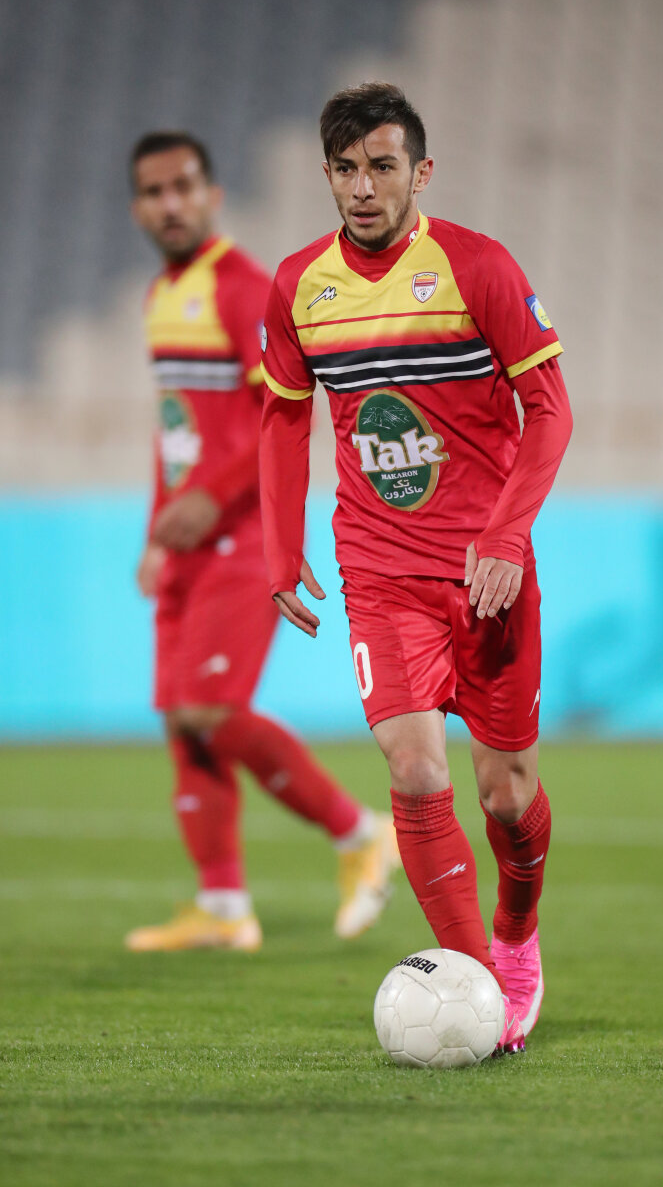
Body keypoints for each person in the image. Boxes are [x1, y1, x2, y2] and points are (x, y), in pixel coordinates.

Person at [259, 84, 572, 1054]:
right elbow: (281, 417)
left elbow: (549, 410)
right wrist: (280, 544)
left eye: (381, 167)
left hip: (486, 571)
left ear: (420, 172)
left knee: (506, 794)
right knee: (411, 764)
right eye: (345, 169)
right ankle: (477, 987)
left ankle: (515, 934)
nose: (362, 187)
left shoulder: (476, 267)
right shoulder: (299, 285)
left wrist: (506, 537)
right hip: (379, 564)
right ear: (326, 174)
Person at [125, 130, 399, 952]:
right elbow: (178, 430)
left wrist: (210, 499)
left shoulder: (243, 289)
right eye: (153, 192)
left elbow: (282, 419)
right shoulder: (162, 295)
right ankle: (222, 906)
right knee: (183, 722)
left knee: (210, 710)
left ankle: (360, 832)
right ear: (137, 208)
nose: (170, 204)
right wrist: (156, 531)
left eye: (183, 187)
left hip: (242, 537)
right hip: (187, 544)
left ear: (212, 196)